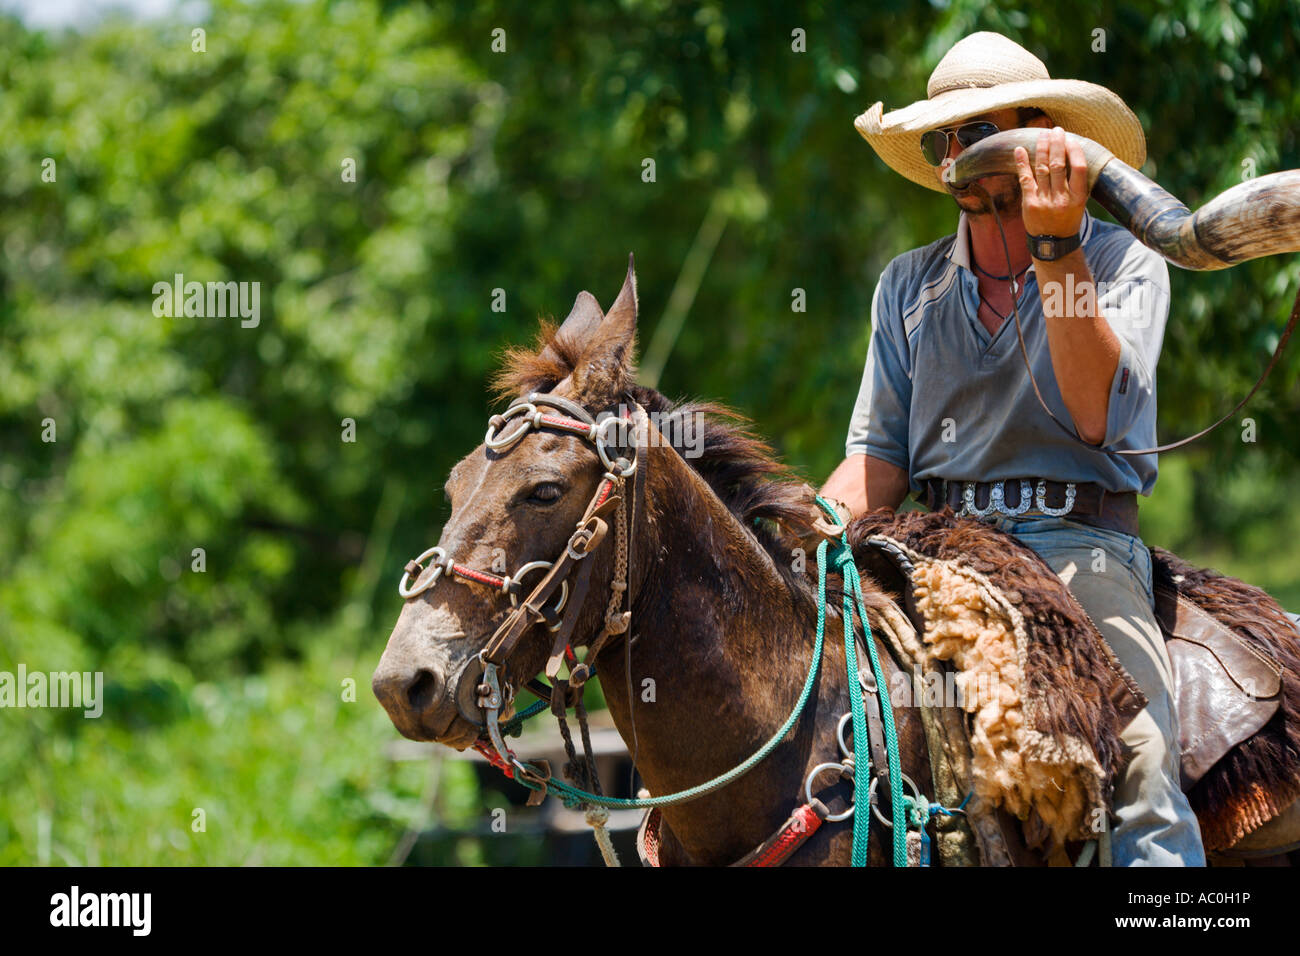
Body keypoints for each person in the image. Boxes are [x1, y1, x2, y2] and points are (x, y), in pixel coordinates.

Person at [821, 31, 1206, 866]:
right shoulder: (907, 285)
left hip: (1080, 545)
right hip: (928, 548)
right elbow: (877, 461)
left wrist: (1055, 247)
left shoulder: (1122, 257)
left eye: (991, 131)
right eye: (951, 138)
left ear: (1043, 138)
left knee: (1132, 761)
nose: (968, 154)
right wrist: (801, 533)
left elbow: (1096, 416)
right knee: (822, 718)